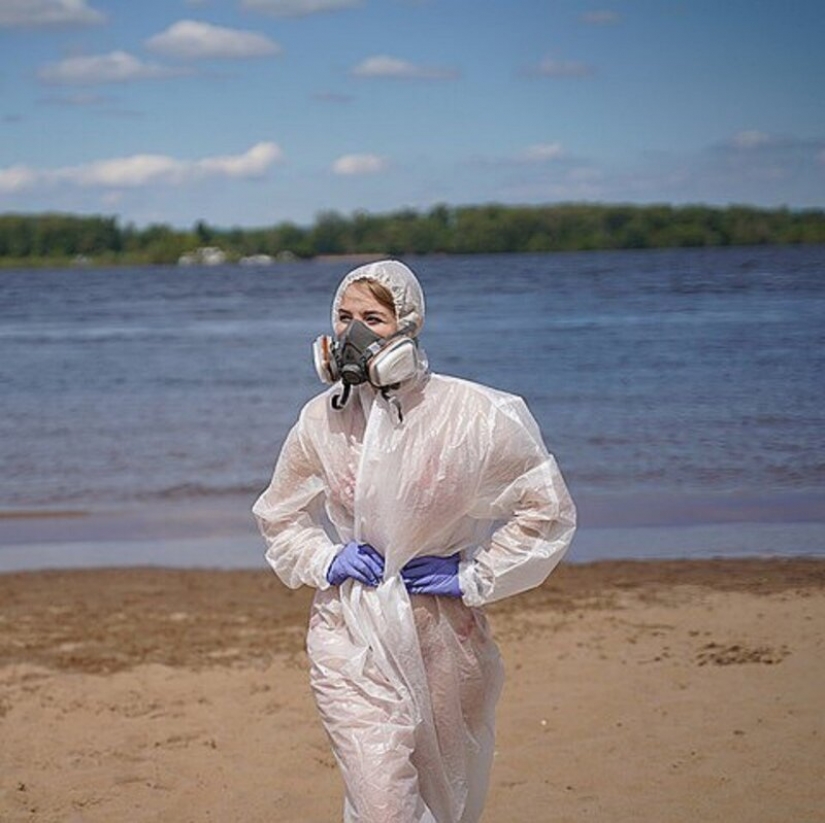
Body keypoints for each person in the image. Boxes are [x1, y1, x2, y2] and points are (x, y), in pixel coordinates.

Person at [253, 259, 576, 823]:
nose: (353, 334)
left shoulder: (477, 416)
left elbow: (545, 508)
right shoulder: (321, 420)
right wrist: (327, 558)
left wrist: (474, 575)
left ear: (409, 326)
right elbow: (279, 514)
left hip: (443, 632)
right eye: (343, 316)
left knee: (444, 796)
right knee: (383, 801)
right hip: (350, 630)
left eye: (373, 318)